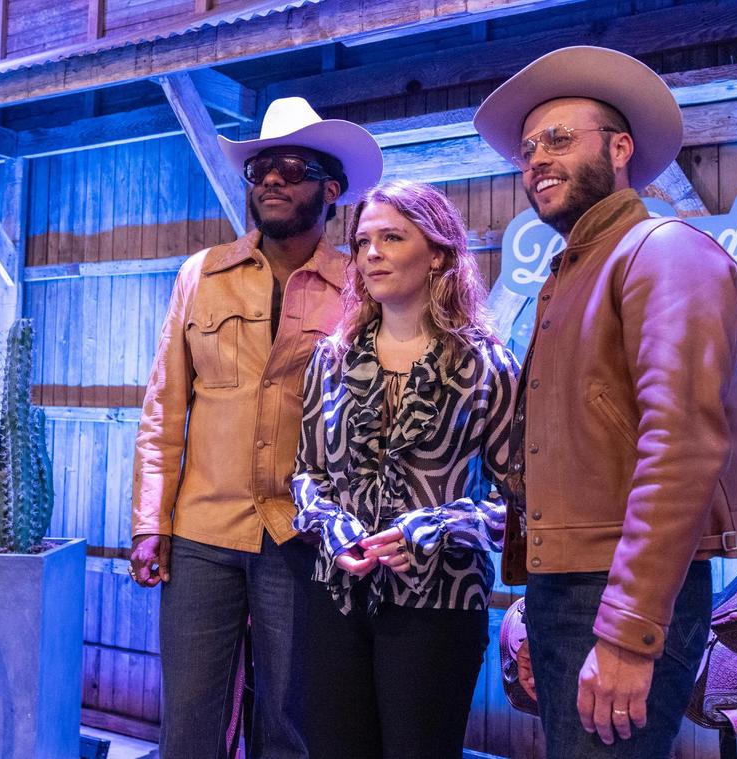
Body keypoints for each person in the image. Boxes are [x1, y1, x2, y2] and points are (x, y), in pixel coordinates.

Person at [473, 47, 737, 757]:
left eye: (558, 139)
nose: (536, 160)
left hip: (616, 591)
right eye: (526, 150)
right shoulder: (575, 269)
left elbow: (682, 443)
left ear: (619, 148)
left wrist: (629, 628)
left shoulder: (663, 250)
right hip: (570, 586)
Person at [129, 96, 382, 759]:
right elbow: (164, 408)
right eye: (260, 168)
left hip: (301, 536)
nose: (270, 179)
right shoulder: (200, 277)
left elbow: (374, 420)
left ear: (330, 189)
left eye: (291, 167)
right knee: (188, 725)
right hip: (201, 533)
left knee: (289, 726)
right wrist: (149, 521)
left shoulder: (358, 289)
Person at [291, 180, 520, 759]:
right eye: (364, 240)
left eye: (392, 237)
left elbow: (518, 503)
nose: (371, 253)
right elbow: (306, 474)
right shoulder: (332, 357)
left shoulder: (487, 363)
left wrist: (438, 527)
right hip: (335, 594)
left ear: (439, 253)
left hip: (440, 604)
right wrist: (331, 527)